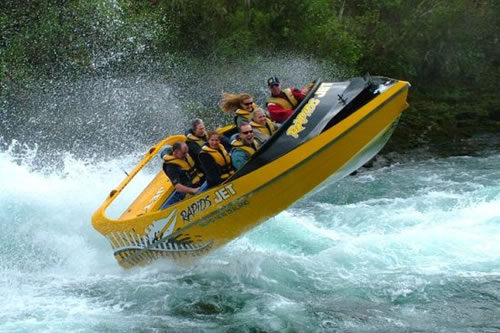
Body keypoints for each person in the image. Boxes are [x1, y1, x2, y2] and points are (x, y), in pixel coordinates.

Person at [162, 141, 202, 205]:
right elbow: (178, 187)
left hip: (200, 181)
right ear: (175, 152)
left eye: (186, 153)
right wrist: (193, 190)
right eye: (183, 153)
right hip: (189, 191)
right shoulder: (171, 167)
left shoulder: (186, 155)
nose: (186, 155)